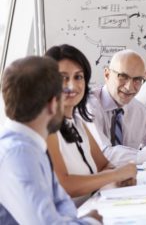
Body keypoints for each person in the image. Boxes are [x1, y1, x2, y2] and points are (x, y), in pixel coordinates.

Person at [0, 56, 101, 224]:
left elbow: (63, 206)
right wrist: (91, 222)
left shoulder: (32, 145)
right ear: (54, 103)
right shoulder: (18, 154)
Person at [45, 44, 137, 206]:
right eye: (62, 77)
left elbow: (104, 165)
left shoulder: (78, 122)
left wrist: (118, 177)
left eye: (78, 77)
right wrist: (116, 175)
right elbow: (65, 186)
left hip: (92, 209)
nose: (72, 85)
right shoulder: (46, 127)